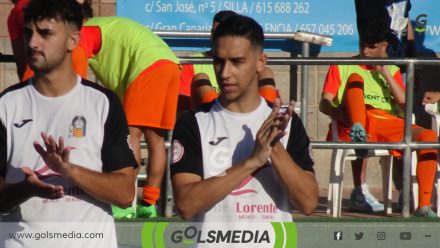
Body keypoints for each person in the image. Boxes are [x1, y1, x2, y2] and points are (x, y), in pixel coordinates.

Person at [0, 0, 137, 247]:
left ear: (72, 41)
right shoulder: (6, 105)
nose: (32, 43)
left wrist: (68, 170)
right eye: (29, 32)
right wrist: (26, 189)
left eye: (45, 33)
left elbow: (126, 193)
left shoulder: (103, 103)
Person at [170, 15, 318, 222]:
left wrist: (274, 148)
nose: (225, 73)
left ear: (260, 62)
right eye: (219, 61)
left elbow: (309, 203)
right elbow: (186, 204)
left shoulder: (286, 123)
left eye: (237, 62)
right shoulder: (194, 123)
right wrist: (250, 162)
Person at [319, 19, 438, 217]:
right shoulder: (342, 65)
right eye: (362, 45)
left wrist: (385, 73)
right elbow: (324, 102)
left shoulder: (391, 70)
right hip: (351, 121)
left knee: (428, 136)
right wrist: (335, 112)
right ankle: (360, 135)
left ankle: (423, 206)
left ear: (384, 46)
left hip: (383, 121)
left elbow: (406, 106)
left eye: (371, 47)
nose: (365, 51)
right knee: (355, 79)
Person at [77, 13, 181, 218]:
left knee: (131, 136)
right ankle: (149, 204)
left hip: (148, 66)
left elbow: (76, 70)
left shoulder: (85, 31)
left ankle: (125, 203)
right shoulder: (109, 26)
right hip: (170, 64)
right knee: (156, 140)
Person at [179, 10, 278, 111]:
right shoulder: (192, 63)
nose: (224, 74)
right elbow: (183, 105)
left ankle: (268, 116)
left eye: (237, 61)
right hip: (210, 115)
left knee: (266, 73)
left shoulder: (258, 67)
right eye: (215, 32)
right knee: (200, 79)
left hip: (252, 111)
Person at [7, 0, 89, 81]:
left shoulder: (18, 11)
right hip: (75, 52)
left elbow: (21, 62)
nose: (32, 43)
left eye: (45, 33)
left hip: (37, 78)